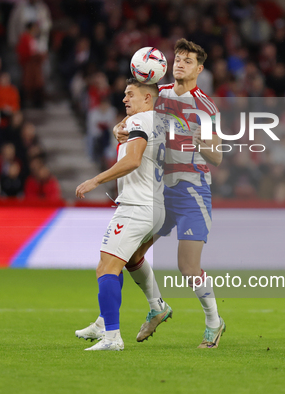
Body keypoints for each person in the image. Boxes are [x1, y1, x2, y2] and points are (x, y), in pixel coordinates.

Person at [115, 39, 225, 348]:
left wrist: (195, 137)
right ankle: (157, 306)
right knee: (132, 255)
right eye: (177, 59)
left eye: (188, 61)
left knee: (188, 267)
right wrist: (118, 128)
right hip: (159, 190)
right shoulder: (158, 95)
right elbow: (132, 121)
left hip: (192, 191)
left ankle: (214, 323)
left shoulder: (205, 107)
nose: (180, 64)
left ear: (199, 69)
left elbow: (217, 156)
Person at [74, 78, 167, 351]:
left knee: (107, 267)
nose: (124, 99)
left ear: (148, 98)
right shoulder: (158, 123)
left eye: (130, 94)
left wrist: (96, 180)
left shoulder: (141, 123)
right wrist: (120, 127)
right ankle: (109, 320)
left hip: (137, 206)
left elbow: (133, 160)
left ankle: (112, 337)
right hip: (157, 206)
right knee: (130, 259)